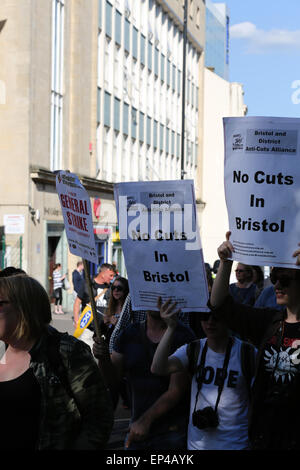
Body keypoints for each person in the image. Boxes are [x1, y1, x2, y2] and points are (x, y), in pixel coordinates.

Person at [0, 273, 113, 450]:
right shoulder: (2, 350)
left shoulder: (66, 351)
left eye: (0, 303)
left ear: (24, 307)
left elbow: (99, 420)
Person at [209, 231, 300, 450]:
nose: (277, 284)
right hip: (263, 436)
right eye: (275, 276)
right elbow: (219, 306)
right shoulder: (269, 322)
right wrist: (226, 263)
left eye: (285, 279)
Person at [151, 298, 256, 450]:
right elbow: (157, 368)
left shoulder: (248, 354)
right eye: (204, 317)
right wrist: (171, 328)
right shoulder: (194, 349)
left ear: (227, 318)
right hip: (197, 445)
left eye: (216, 317)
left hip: (236, 444)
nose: (210, 322)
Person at [93, 300, 196, 450]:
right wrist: (102, 359)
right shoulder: (129, 333)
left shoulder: (184, 335)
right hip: (136, 429)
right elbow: (111, 380)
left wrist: (146, 420)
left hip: (172, 432)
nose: (157, 300)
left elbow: (176, 390)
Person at [108, 293, 191, 354]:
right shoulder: (135, 296)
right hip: (138, 350)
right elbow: (120, 327)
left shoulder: (178, 301)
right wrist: (111, 353)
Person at [73, 263, 115, 349]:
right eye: (110, 275)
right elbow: (77, 302)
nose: (112, 278)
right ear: (103, 274)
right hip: (88, 329)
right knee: (86, 356)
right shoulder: (88, 284)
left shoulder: (112, 288)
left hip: (103, 330)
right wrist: (77, 320)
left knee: (102, 358)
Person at [103, 276, 129, 344]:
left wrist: (118, 325)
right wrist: (105, 324)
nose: (116, 290)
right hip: (108, 346)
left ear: (126, 290)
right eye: (113, 288)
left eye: (119, 288)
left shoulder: (130, 309)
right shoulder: (110, 308)